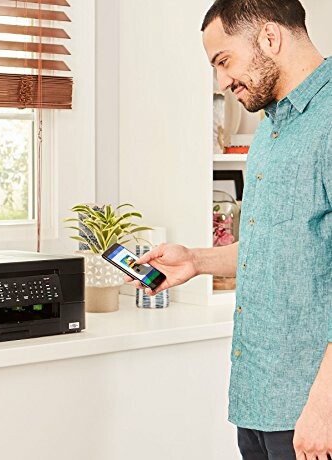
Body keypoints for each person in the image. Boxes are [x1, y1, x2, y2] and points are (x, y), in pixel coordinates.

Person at [127, 1, 331, 459]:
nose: (222, 81)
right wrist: (197, 261)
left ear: (270, 38)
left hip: (312, 413)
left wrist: (324, 406)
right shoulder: (273, 127)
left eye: (223, 61)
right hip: (260, 399)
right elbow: (281, 246)